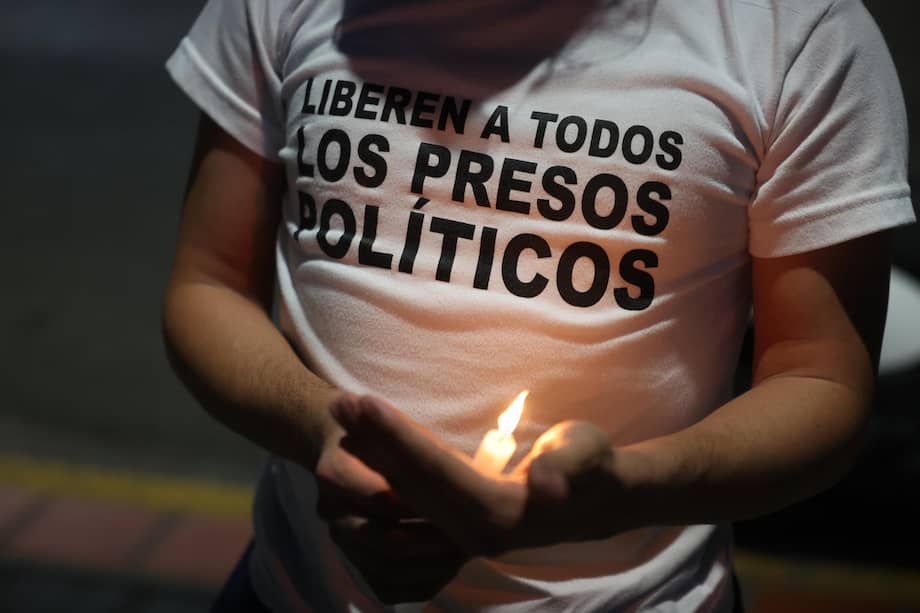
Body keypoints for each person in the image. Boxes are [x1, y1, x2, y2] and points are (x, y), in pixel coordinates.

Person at [162, 0, 915, 610]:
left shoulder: (795, 33)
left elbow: (819, 382)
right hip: (296, 590)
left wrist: (624, 489)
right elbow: (208, 284)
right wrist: (316, 428)